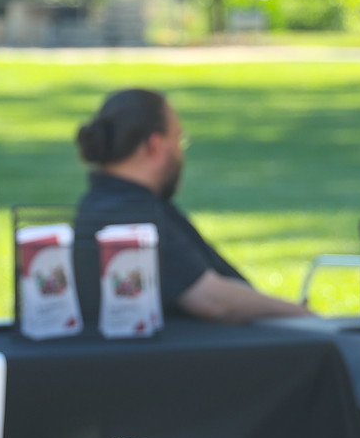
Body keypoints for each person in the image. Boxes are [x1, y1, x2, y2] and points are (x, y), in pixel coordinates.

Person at [72, 88, 311, 323]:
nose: (180, 150)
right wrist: (301, 314)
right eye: (179, 139)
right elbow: (212, 300)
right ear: (155, 145)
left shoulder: (115, 203)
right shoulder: (126, 214)